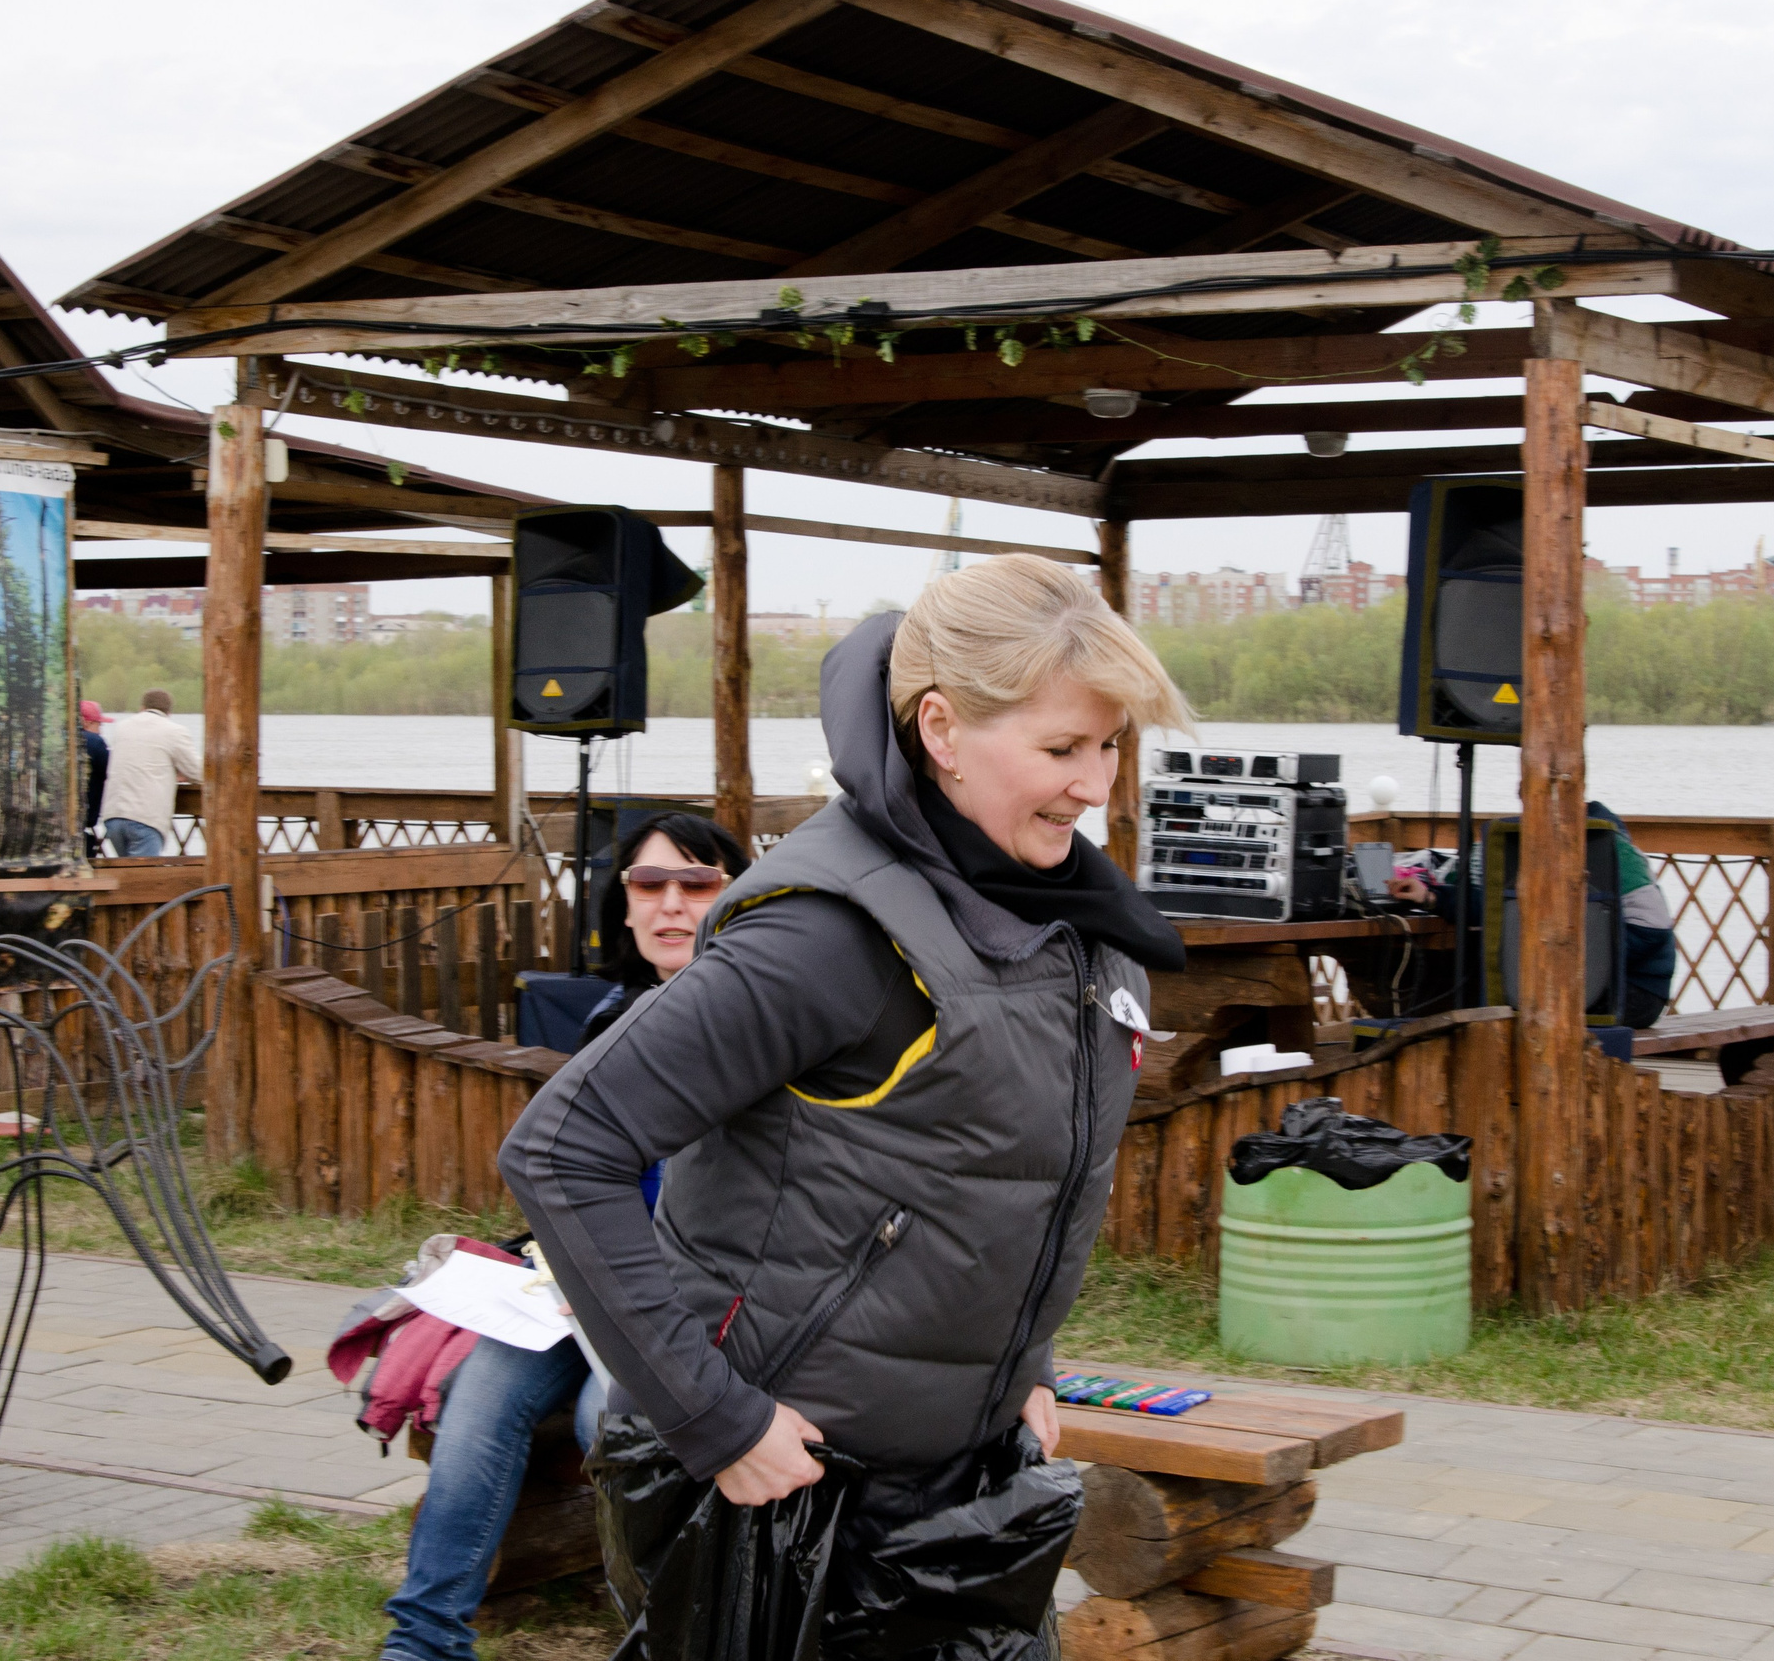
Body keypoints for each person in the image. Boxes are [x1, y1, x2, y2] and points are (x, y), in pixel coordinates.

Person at [502, 554, 1193, 1650]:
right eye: (1060, 748)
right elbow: (562, 1149)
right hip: (778, 1491)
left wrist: (1020, 1363)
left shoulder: (1062, 916)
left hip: (959, 1477)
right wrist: (715, 1419)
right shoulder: (826, 935)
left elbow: (985, 1174)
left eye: (1107, 744)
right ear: (942, 727)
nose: (1093, 783)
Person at [378, 813, 748, 1661]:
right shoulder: (611, 1019)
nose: (671, 904)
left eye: (697, 884)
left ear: (739, 896)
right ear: (623, 906)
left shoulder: (764, 1029)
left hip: (690, 1308)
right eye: (649, 885)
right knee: (479, 1394)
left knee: (610, 1421)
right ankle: (424, 1641)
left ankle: (680, 1637)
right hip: (582, 1292)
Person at [1388, 798, 1676, 1027]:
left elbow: (1652, 930)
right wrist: (1429, 896)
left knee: (1523, 1009)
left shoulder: (1612, 850)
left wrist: (1570, 946)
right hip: (1572, 984)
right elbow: (1498, 908)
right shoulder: (1542, 845)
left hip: (1635, 991)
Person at [98, 690, 200, 858]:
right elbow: (196, 771)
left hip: (113, 816)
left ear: (142, 708)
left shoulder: (123, 727)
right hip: (145, 819)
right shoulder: (174, 731)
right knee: (141, 880)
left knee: (128, 878)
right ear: (169, 712)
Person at [77, 699, 109, 858]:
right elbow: (112, 771)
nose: (100, 731)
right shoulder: (94, 742)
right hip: (80, 823)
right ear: (86, 722)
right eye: (98, 725)